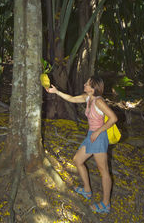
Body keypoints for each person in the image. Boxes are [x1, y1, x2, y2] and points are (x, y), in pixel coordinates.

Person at [46, 75, 118, 214]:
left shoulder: (99, 102)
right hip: (90, 136)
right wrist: (56, 92)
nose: (84, 84)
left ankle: (105, 204)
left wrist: (98, 132)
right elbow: (72, 99)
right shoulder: (87, 97)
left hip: (98, 137)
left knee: (104, 172)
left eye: (87, 83)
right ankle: (87, 190)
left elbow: (114, 118)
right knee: (77, 160)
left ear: (93, 88)